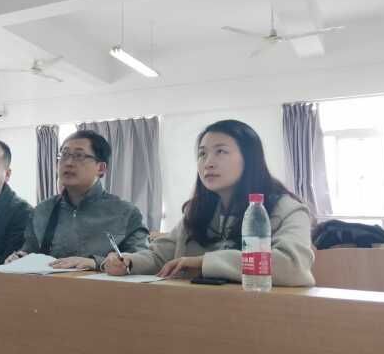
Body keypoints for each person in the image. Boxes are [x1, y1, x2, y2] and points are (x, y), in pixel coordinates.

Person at [103, 120, 315, 286]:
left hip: (261, 314)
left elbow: (293, 266)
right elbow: (159, 257)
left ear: (249, 159)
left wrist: (204, 262)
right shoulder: (197, 212)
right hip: (197, 311)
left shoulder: (287, 209)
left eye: (221, 151)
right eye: (202, 154)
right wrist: (128, 261)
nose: (208, 163)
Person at [6, 130, 149, 269]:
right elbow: (30, 250)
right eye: (64, 155)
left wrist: (96, 263)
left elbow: (144, 262)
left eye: (79, 156)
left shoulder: (126, 213)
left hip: (102, 285)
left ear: (101, 168)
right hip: (47, 284)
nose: (68, 162)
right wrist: (20, 257)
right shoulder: (43, 210)